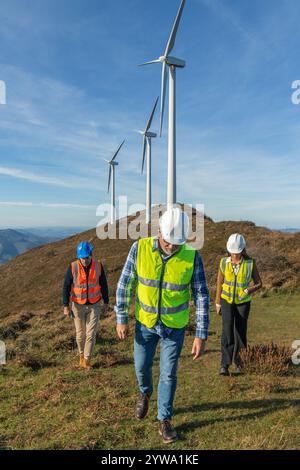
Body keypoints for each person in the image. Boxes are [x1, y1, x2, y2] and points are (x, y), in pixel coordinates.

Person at [114, 207, 210, 444]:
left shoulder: (191, 255)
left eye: (177, 243)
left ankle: (164, 419)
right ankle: (145, 393)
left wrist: (200, 334)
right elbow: (125, 284)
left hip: (173, 328)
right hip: (145, 325)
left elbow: (201, 295)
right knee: (141, 367)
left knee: (168, 373)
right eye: (168, 242)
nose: (172, 247)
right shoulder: (139, 248)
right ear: (158, 231)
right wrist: (121, 317)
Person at [216, 233, 262, 376]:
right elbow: (219, 283)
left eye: (237, 252)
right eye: (232, 252)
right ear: (229, 250)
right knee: (227, 332)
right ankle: (225, 364)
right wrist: (217, 302)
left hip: (243, 303)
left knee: (240, 332)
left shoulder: (250, 263)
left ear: (243, 250)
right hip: (226, 301)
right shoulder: (223, 262)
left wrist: (249, 290)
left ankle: (240, 362)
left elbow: (259, 283)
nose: (235, 255)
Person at [63, 241, 109, 369]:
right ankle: (81, 355)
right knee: (80, 334)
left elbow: (104, 285)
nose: (84, 260)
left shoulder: (98, 266)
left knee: (91, 334)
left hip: (94, 305)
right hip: (77, 306)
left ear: (91, 255)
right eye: (82, 257)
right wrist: (65, 306)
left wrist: (106, 302)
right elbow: (66, 287)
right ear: (79, 257)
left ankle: (87, 361)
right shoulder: (73, 267)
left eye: (86, 257)